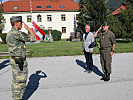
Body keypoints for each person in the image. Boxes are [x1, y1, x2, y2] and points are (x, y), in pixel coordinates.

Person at [6, 16, 36, 100]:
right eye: (21, 23)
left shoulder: (10, 33)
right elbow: (32, 38)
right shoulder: (16, 33)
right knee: (20, 82)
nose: (22, 25)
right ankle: (17, 98)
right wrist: (30, 30)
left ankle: (16, 97)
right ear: (16, 23)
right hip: (19, 61)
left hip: (14, 60)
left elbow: (24, 37)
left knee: (16, 81)